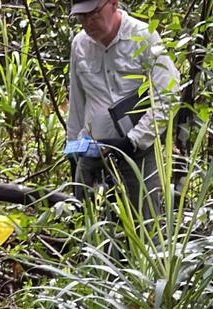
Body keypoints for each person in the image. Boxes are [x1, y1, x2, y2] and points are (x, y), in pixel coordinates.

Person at [67, 0, 180, 217]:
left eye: (93, 14)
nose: (88, 23)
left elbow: (167, 92)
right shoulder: (79, 44)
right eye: (81, 17)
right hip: (93, 149)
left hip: (139, 150)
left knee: (146, 222)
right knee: (90, 221)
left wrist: (133, 141)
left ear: (113, 4)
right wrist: (72, 149)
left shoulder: (144, 36)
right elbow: (78, 100)